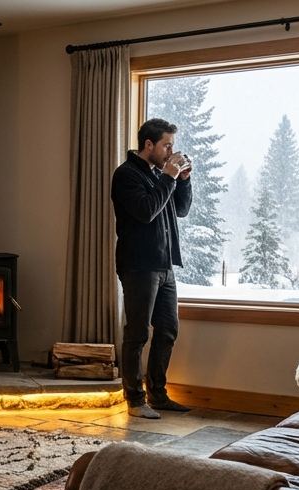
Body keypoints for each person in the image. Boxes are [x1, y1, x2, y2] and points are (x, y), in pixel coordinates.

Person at [111, 117, 194, 419]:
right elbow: (146, 212)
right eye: (167, 145)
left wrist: (183, 180)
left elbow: (180, 210)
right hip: (138, 265)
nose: (171, 151)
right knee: (137, 334)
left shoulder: (161, 175)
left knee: (168, 330)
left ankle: (158, 394)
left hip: (164, 264)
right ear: (149, 145)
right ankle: (134, 400)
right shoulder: (126, 175)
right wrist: (169, 178)